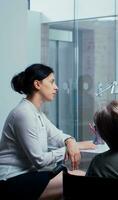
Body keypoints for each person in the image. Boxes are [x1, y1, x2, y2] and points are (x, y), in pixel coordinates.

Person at [0, 64, 95, 200]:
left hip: (27, 175)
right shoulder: (23, 114)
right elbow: (39, 160)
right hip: (11, 179)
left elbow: (57, 135)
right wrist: (73, 148)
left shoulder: (36, 112)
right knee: (78, 179)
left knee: (78, 175)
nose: (56, 87)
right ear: (37, 84)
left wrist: (70, 141)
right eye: (51, 82)